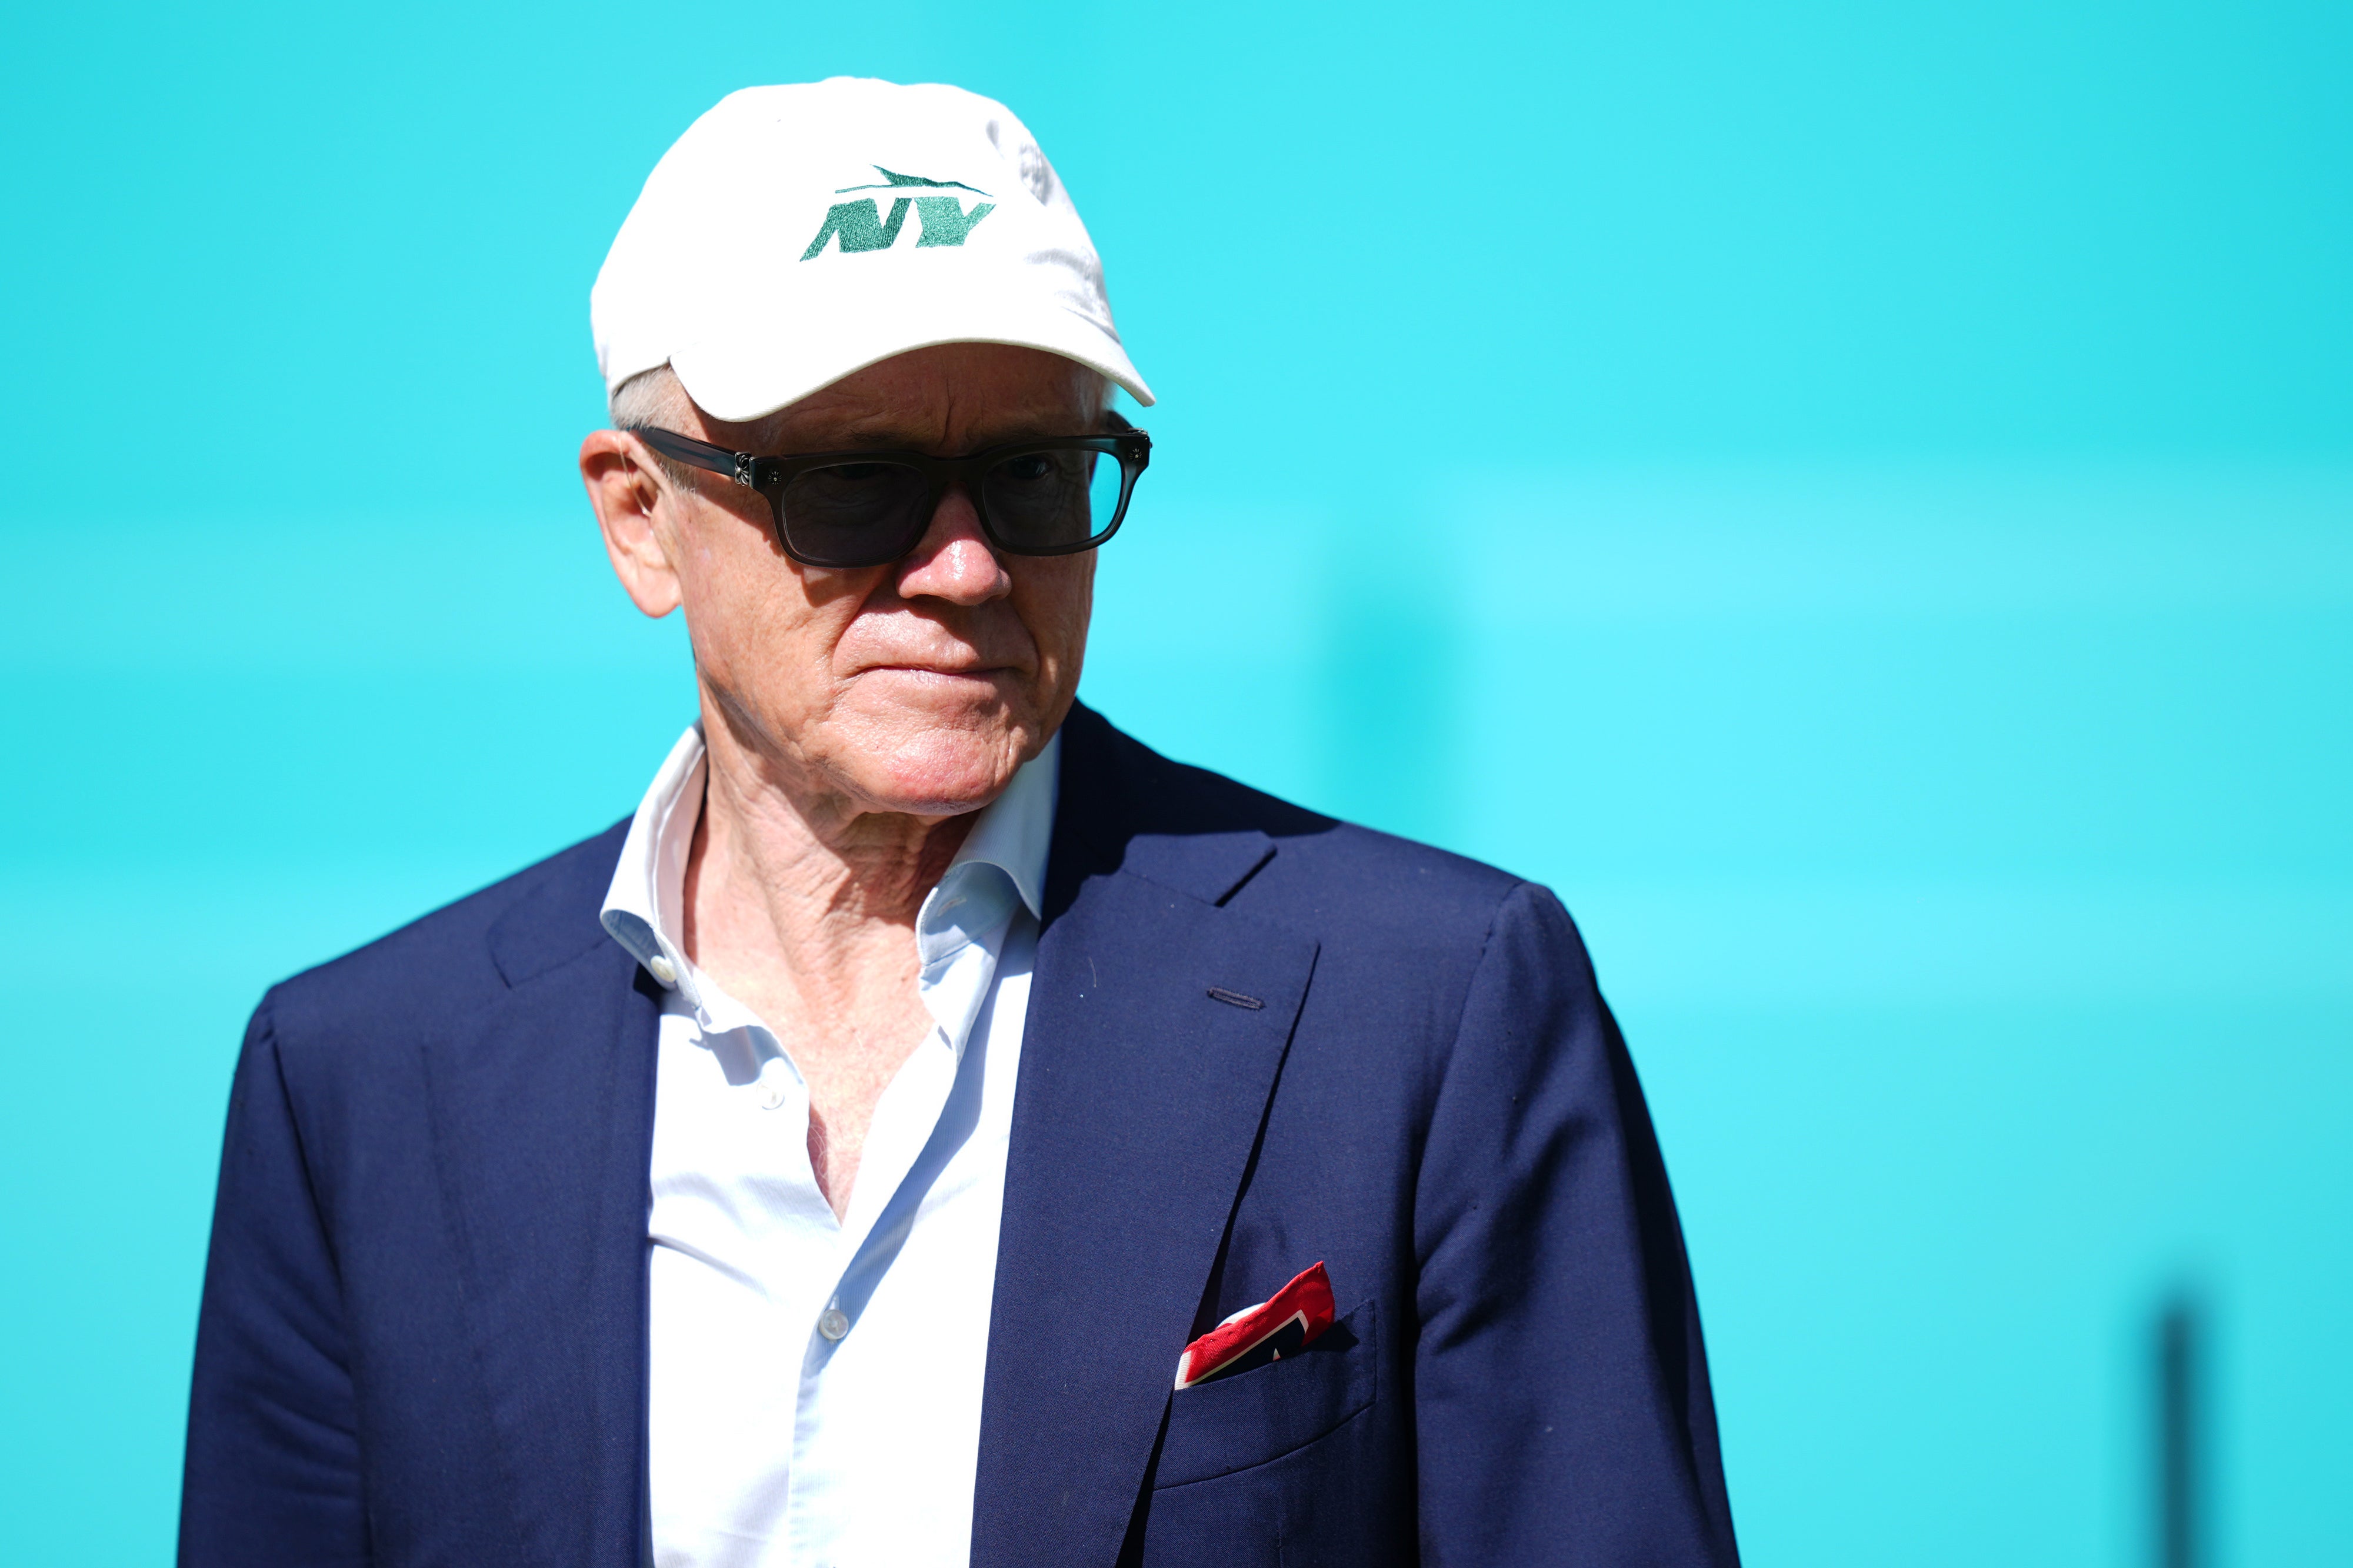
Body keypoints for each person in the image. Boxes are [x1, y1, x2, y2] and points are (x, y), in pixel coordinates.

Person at [179, 78, 1739, 1568]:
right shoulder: (361, 1087)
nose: (970, 566)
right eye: (855, 483)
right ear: (638, 516)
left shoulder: (1435, 1006)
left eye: (1035, 473)